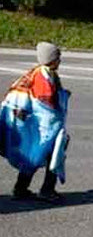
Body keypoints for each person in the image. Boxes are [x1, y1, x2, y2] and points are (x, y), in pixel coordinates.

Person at [2, 42, 69, 203]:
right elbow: (45, 103)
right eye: (58, 58)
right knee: (54, 151)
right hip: (41, 125)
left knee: (33, 153)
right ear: (51, 59)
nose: (60, 61)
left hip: (31, 124)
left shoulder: (41, 72)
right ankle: (46, 190)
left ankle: (21, 188)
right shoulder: (42, 76)